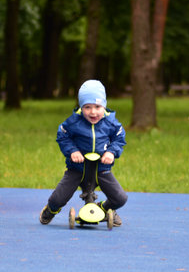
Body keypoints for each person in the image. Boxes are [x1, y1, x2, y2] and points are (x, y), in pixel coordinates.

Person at [39, 79, 128, 226]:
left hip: (101, 170)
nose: (93, 112)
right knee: (57, 199)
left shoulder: (111, 123)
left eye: (97, 107)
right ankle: (50, 210)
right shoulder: (74, 122)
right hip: (77, 168)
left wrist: (111, 152)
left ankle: (104, 209)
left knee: (120, 199)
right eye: (87, 107)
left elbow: (119, 138)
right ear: (81, 106)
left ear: (104, 105)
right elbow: (63, 135)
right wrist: (72, 151)